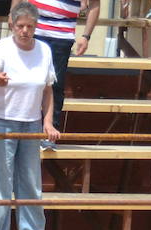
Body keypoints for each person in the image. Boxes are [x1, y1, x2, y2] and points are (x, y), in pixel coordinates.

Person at [0, 3, 59, 230]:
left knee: (30, 182)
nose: (25, 31)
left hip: (31, 122)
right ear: (12, 25)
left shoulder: (44, 50)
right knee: (1, 182)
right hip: (2, 119)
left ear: (36, 26)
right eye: (20, 26)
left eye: (29, 26)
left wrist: (48, 122)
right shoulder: (1, 47)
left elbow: (48, 90)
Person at [30, 0, 99, 148]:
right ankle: (26, 131)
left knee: (55, 84)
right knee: (27, 81)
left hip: (62, 35)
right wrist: (13, 13)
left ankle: (49, 134)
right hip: (32, 28)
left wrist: (86, 36)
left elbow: (94, 5)